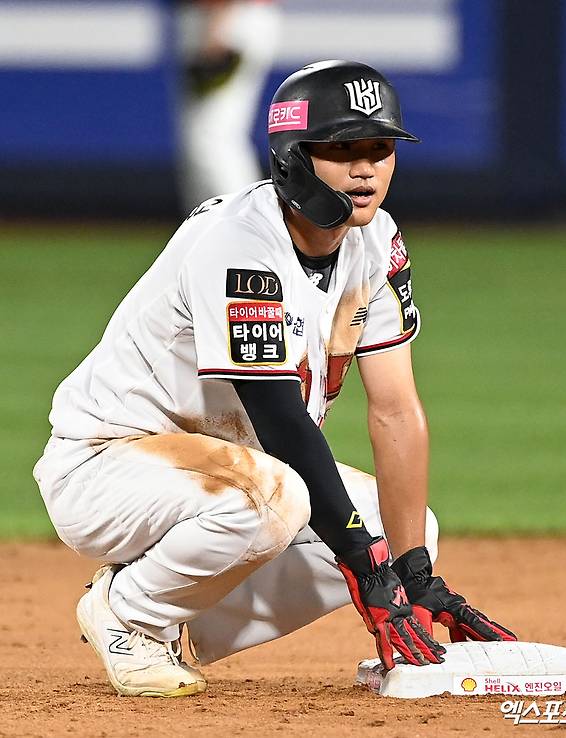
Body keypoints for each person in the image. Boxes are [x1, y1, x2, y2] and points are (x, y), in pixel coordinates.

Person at [34, 60, 516, 698]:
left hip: (224, 470)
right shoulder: (238, 243)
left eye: (380, 148)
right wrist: (368, 570)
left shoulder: (373, 244)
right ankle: (129, 614)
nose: (366, 167)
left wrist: (412, 575)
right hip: (108, 461)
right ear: (293, 157)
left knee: (407, 529)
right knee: (284, 498)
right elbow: (283, 424)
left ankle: (180, 616)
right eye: (342, 149)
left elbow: (395, 409)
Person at [179, 0, 281, 208]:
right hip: (215, 16)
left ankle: (249, 219)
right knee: (198, 138)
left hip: (229, 18)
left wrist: (218, 23)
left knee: (213, 135)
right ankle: (204, 227)